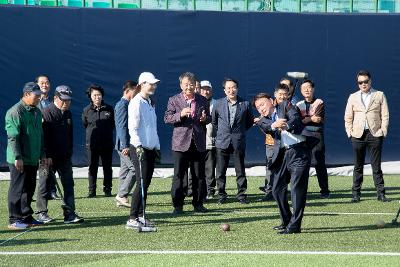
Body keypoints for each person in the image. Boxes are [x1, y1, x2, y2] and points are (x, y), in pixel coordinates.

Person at [253, 86, 313, 234]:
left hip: (299, 152)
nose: (261, 109)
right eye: (258, 107)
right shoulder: (263, 120)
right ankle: (286, 220)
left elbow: (295, 118)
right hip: (282, 155)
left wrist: (286, 124)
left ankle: (294, 225)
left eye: (262, 104)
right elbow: (267, 127)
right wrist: (275, 124)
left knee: (297, 190)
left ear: (271, 101)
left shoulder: (286, 106)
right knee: (277, 189)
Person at [36, 85, 84, 224]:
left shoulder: (68, 113)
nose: (66, 103)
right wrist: (46, 155)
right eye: (63, 100)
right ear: (56, 98)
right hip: (47, 158)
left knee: (69, 184)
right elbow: (42, 137)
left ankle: (69, 214)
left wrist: (69, 152)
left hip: (64, 157)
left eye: (69, 100)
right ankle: (41, 213)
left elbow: (69, 135)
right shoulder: (46, 113)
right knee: (44, 183)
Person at [164, 72, 210, 214]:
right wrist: (180, 114)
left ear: (195, 85)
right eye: (186, 84)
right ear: (181, 85)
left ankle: (198, 204)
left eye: (191, 84)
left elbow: (208, 118)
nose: (189, 87)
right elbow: (167, 118)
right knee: (179, 175)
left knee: (199, 176)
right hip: (180, 143)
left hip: (198, 143)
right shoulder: (174, 100)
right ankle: (178, 205)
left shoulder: (202, 100)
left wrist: (205, 119)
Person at [5, 82, 47, 230]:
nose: (39, 99)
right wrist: (17, 157)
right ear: (26, 94)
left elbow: (40, 135)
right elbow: (13, 137)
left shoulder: (37, 111)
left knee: (29, 187)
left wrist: (42, 154)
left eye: (40, 96)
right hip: (19, 159)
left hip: (33, 157)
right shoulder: (15, 111)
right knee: (17, 188)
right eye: (36, 96)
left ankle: (26, 216)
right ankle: (14, 219)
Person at [344, 70, 390, 203]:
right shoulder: (353, 97)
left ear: (370, 81)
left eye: (365, 81)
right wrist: (350, 132)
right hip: (358, 135)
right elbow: (348, 116)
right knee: (358, 165)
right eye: (360, 82)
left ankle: (381, 194)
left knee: (376, 166)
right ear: (358, 83)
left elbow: (385, 115)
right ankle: (356, 194)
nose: (363, 84)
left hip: (375, 134)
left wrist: (383, 131)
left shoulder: (379, 95)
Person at [126, 72, 161, 229]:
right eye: (150, 83)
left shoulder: (150, 102)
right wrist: (138, 146)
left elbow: (152, 128)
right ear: (142, 84)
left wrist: (157, 147)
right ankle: (132, 217)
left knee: (145, 183)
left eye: (154, 84)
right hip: (139, 148)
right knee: (141, 182)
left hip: (151, 149)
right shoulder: (136, 103)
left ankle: (140, 215)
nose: (153, 86)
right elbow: (133, 128)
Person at [212, 78, 254, 204]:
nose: (231, 90)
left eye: (234, 87)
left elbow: (249, 122)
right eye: (228, 88)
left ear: (237, 88)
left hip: (238, 141)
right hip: (222, 141)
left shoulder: (245, 104)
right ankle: (221, 195)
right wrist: (224, 133)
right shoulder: (218, 104)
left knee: (240, 170)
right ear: (224, 90)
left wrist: (238, 133)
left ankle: (241, 195)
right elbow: (214, 122)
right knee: (220, 171)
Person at [297, 79, 330, 199]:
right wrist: (311, 117)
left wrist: (307, 119)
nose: (306, 89)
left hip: (317, 136)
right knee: (302, 165)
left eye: (309, 87)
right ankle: (302, 191)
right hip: (303, 136)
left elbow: (317, 119)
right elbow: (299, 121)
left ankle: (325, 190)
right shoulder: (298, 105)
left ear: (313, 89)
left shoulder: (319, 102)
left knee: (319, 163)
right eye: (304, 88)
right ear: (301, 91)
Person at [82, 84, 115, 198]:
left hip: (107, 144)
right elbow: (85, 124)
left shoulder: (109, 109)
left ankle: (107, 189)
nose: (97, 97)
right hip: (92, 145)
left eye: (99, 95)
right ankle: (92, 191)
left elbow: (112, 125)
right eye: (95, 95)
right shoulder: (86, 110)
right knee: (92, 167)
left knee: (107, 167)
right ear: (90, 96)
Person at [259, 84, 290, 201]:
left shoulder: (289, 107)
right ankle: (269, 191)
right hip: (271, 143)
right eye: (280, 94)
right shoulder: (270, 106)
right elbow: (265, 125)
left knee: (284, 168)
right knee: (270, 167)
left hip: (286, 143)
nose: (282, 96)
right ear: (275, 94)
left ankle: (282, 190)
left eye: (285, 94)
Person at [114, 81, 139, 208]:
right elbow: (121, 126)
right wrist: (125, 146)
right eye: (135, 91)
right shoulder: (122, 105)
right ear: (128, 91)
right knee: (134, 169)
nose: (137, 94)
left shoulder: (127, 104)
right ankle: (122, 195)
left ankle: (121, 197)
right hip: (124, 145)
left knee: (124, 171)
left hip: (124, 144)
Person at [36, 74, 59, 201]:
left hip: (50, 141)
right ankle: (33, 193)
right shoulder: (33, 102)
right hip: (37, 141)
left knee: (51, 167)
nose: (44, 85)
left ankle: (52, 190)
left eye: (47, 83)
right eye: (42, 83)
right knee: (38, 170)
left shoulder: (52, 102)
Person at [199, 80, 217, 199]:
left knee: (210, 167)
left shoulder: (217, 103)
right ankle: (193, 189)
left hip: (211, 140)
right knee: (196, 167)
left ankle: (210, 190)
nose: (206, 91)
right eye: (203, 89)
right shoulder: (195, 102)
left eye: (208, 89)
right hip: (197, 141)